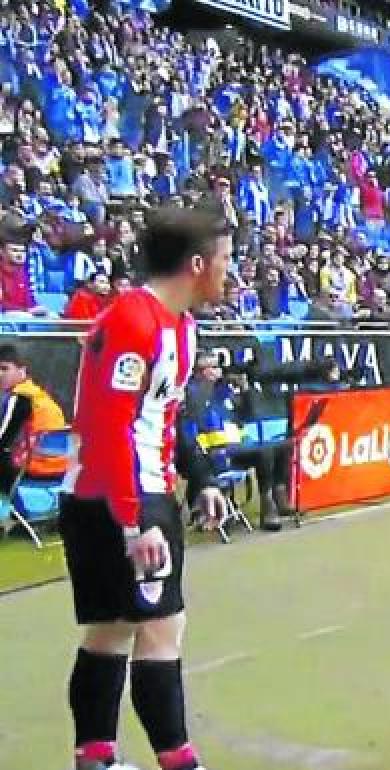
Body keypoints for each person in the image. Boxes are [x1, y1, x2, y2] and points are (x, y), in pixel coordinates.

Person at [58, 206, 231, 770]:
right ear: (198, 264)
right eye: (225, 260)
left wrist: (201, 478)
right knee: (161, 628)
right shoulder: (132, 322)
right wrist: (133, 523)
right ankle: (178, 760)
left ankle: (95, 757)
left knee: (112, 630)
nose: (230, 273)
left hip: (129, 495)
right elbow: (108, 427)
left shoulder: (181, 327)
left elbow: (165, 418)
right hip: (118, 496)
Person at [180, 351, 293, 532]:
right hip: (210, 455)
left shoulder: (225, 392)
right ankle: (267, 504)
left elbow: (249, 414)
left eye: (218, 366)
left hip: (235, 451)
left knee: (279, 447)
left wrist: (246, 390)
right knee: (265, 452)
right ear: (198, 371)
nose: (218, 371)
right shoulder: (191, 394)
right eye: (212, 367)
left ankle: (273, 499)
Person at [0, 343, 68, 495]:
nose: (0, 374)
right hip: (59, 470)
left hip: (33, 469)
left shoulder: (20, 398)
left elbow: (4, 440)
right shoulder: (39, 395)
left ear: (22, 370)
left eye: (5, 368)